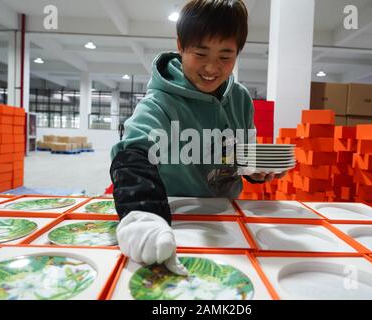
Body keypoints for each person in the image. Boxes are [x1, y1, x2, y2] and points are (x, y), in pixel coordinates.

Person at [110, 0, 284, 275]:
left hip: (226, 214)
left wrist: (254, 167)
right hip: (173, 215)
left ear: (238, 52)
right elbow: (131, 155)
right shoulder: (160, 103)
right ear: (180, 46)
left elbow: (238, 152)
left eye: (225, 57)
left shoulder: (239, 99)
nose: (212, 68)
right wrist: (144, 215)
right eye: (200, 54)